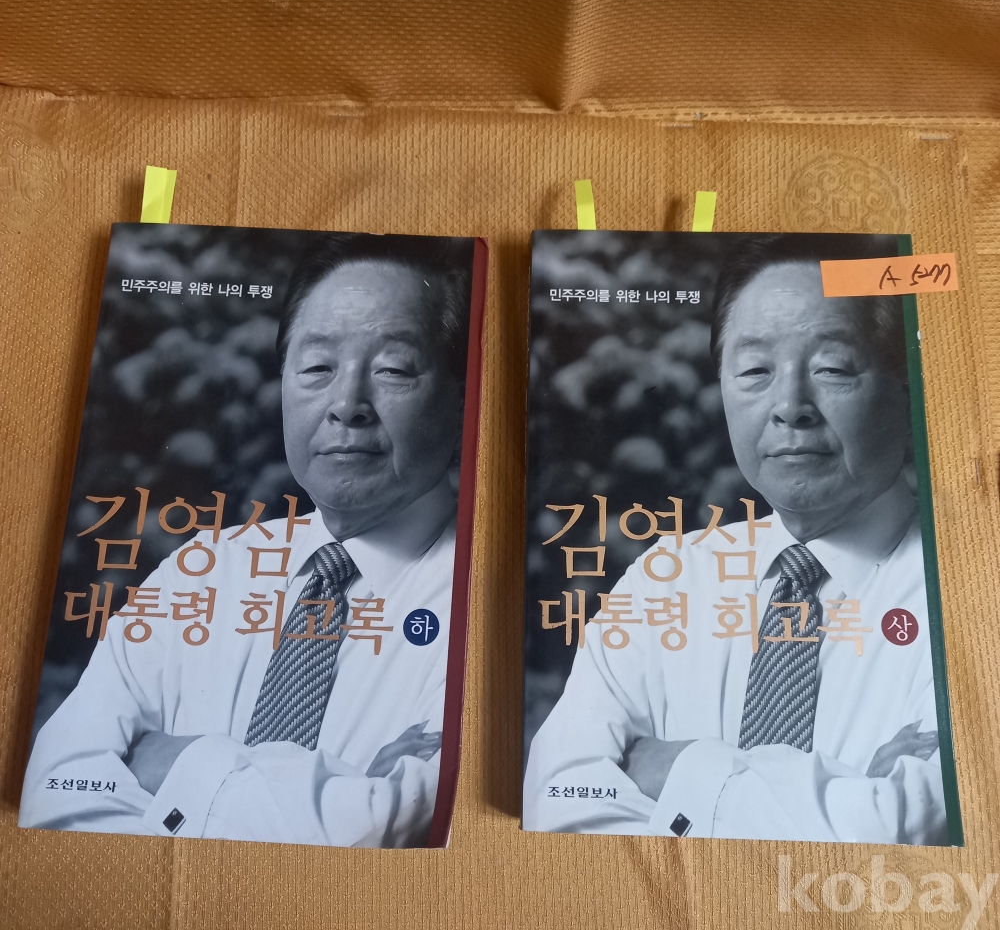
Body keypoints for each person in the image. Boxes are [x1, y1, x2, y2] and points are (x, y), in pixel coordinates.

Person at [20, 234, 473, 847]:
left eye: (393, 369)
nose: (347, 405)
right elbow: (55, 796)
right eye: (317, 368)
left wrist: (172, 763)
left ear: (462, 398)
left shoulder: (482, 601)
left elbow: (383, 831)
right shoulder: (200, 572)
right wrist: (338, 795)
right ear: (284, 381)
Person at [523, 240, 948, 844]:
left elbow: (912, 826)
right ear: (723, 386)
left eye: (832, 367)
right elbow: (558, 807)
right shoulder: (667, 578)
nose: (791, 408)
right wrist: (849, 799)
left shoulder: (967, 588)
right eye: (754, 372)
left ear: (906, 387)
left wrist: (677, 769)